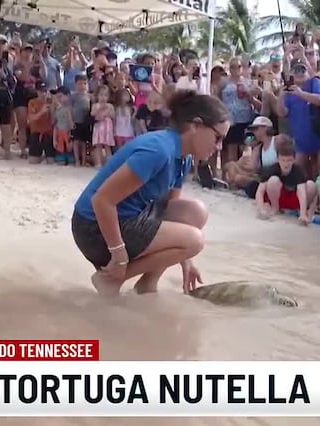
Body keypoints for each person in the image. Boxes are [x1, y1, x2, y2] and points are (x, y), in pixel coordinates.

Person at [71, 90, 230, 297]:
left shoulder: (184, 156)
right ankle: (111, 279)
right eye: (218, 137)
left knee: (195, 213)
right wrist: (119, 256)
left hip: (127, 218)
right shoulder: (158, 150)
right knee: (195, 240)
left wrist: (185, 259)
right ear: (195, 125)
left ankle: (147, 284)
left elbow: (175, 216)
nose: (219, 147)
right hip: (93, 228)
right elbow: (102, 200)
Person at [255, 135, 318, 225]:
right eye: (283, 160)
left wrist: (303, 214)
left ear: (294, 160)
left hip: (294, 199)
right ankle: (275, 208)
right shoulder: (272, 169)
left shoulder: (298, 170)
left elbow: (302, 192)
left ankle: (301, 211)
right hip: (279, 199)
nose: (286, 164)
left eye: (289, 160)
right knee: (273, 180)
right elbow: (260, 191)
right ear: (277, 159)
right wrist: (260, 209)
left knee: (311, 185)